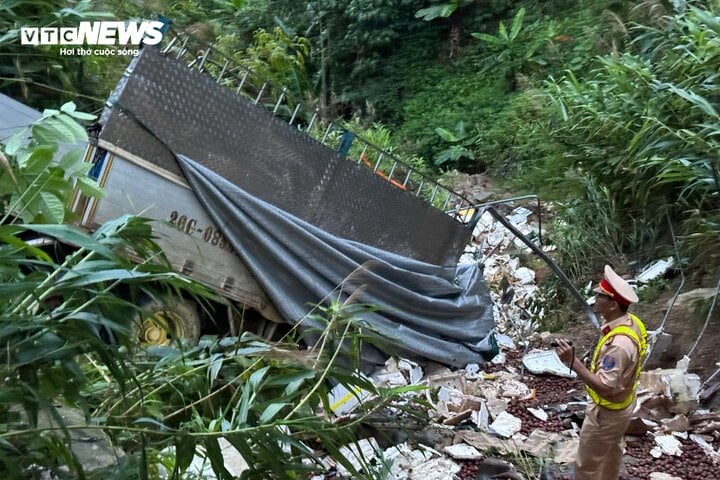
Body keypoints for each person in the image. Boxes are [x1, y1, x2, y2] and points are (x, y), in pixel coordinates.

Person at [555, 265, 647, 480]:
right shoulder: (631, 323)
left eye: (600, 295)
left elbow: (606, 386)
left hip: (606, 413)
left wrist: (573, 362)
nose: (595, 297)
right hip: (623, 406)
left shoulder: (619, 345)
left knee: (586, 466)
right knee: (610, 453)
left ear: (613, 304)